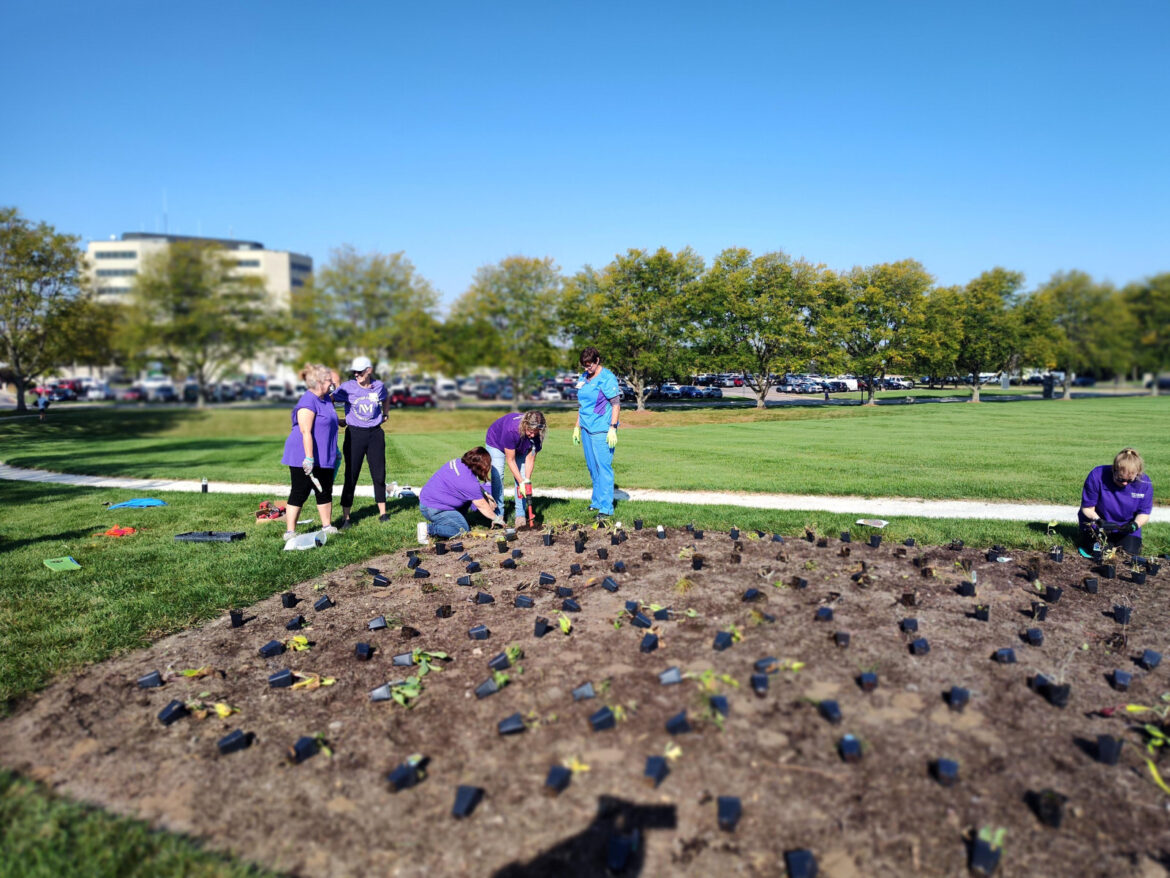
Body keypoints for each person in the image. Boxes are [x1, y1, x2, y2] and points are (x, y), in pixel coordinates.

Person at [280, 363, 342, 540]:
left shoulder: (325, 399)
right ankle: (290, 531)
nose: (332, 384)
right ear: (320, 381)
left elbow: (328, 419)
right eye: (330, 380)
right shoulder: (307, 402)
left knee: (325, 490)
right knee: (301, 490)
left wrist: (344, 422)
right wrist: (309, 458)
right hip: (304, 453)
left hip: (325, 454)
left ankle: (327, 525)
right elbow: (305, 431)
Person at [332, 356, 391, 529]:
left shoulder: (378, 386)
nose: (356, 374)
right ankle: (347, 518)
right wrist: (337, 420)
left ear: (369, 371)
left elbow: (386, 397)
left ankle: (383, 514)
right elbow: (329, 400)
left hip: (375, 434)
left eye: (359, 372)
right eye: (354, 372)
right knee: (351, 475)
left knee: (379, 474)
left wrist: (386, 413)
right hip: (354, 434)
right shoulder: (347, 387)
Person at [572, 346, 621, 521]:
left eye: (589, 365)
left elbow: (615, 404)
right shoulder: (584, 377)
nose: (587, 369)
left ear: (597, 361)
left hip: (601, 429)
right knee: (593, 468)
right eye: (584, 365)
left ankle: (607, 508)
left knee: (603, 467)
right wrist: (577, 427)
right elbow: (581, 405)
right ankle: (597, 502)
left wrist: (613, 428)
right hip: (586, 427)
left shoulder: (607, 378)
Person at [1078, 447, 1153, 557]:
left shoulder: (1144, 483)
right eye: (1121, 479)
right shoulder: (1097, 475)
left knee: (1129, 553)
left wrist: (1135, 525)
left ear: (1137, 474)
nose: (1125, 484)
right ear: (1113, 470)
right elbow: (1087, 508)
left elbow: (1144, 513)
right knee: (1099, 552)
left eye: (1130, 480)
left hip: (1125, 527)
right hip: (1098, 524)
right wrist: (1098, 521)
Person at [416, 447, 501, 541]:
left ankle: (455, 520)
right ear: (482, 466)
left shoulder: (457, 462)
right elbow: (481, 506)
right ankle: (427, 529)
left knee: (468, 499)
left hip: (427, 499)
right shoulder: (470, 484)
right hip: (434, 508)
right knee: (462, 530)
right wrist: (496, 519)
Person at [485, 410, 547, 527]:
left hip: (520, 445)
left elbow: (530, 458)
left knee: (523, 477)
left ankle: (520, 515)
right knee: (498, 476)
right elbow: (510, 460)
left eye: (535, 432)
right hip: (496, 442)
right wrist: (520, 482)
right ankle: (498, 515)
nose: (532, 435)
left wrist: (526, 481)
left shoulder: (538, 435)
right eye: (530, 431)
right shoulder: (511, 430)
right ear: (525, 425)